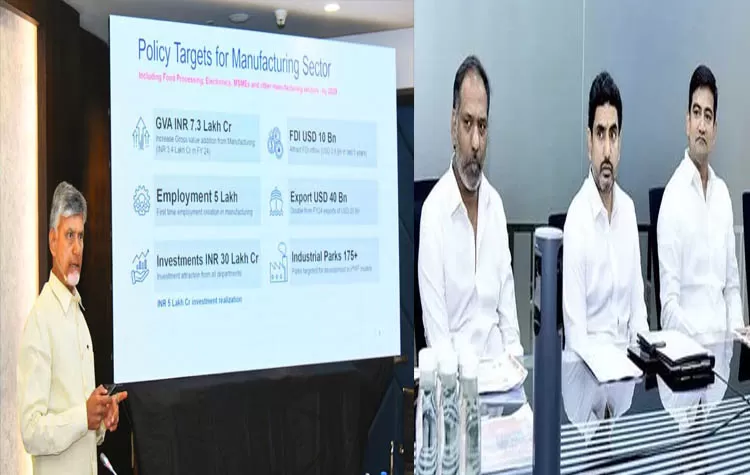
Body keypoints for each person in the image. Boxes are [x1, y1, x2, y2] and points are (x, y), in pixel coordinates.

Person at [17, 181, 128, 474]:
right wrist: (83, 416)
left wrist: (100, 417)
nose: (77, 248)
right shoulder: (40, 321)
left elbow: (81, 420)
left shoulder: (78, 316)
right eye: (69, 236)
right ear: (52, 241)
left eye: (81, 236)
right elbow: (30, 431)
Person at [417, 55, 523, 359]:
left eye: (482, 126)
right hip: (454, 380)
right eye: (467, 123)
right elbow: (438, 341)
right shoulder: (434, 213)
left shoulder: (496, 208)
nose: (476, 142)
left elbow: (510, 328)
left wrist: (516, 375)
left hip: (499, 379)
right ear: (453, 126)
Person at [562, 71, 649, 352]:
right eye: (600, 134)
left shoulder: (629, 211)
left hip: (629, 369)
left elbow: (638, 314)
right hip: (589, 370)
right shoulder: (577, 220)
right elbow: (575, 337)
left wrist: (644, 362)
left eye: (613, 134)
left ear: (620, 141)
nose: (607, 150)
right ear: (589, 142)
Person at [657, 64, 744, 336]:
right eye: (696, 113)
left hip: (725, 351)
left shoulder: (722, 196)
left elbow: (732, 289)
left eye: (708, 116)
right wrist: (704, 344)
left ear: (715, 130)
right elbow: (668, 309)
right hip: (688, 350)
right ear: (687, 123)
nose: (702, 126)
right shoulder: (673, 198)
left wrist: (737, 339)